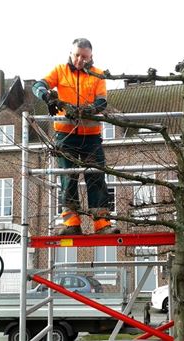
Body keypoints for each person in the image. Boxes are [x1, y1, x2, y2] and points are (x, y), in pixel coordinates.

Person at [32, 38, 118, 236]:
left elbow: (102, 102)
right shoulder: (60, 71)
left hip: (91, 136)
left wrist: (87, 110)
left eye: (85, 57)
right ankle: (72, 223)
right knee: (68, 178)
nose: (80, 60)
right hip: (65, 135)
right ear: (71, 53)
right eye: (77, 55)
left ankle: (102, 224)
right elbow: (38, 85)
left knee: (96, 177)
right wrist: (47, 96)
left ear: (91, 56)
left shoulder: (98, 74)